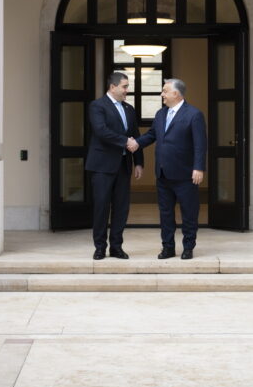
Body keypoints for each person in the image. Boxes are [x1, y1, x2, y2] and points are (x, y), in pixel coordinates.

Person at [130, 78, 206, 260]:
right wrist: (135, 144)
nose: (162, 94)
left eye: (165, 91)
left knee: (189, 213)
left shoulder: (194, 114)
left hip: (186, 175)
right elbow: (150, 135)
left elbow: (200, 145)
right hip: (163, 174)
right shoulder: (160, 114)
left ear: (176, 93)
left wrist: (199, 167)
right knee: (165, 215)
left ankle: (188, 247)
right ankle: (168, 248)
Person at [86, 72, 144, 260]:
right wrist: (126, 141)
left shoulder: (129, 108)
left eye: (127, 86)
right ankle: (100, 247)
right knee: (102, 207)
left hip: (123, 165)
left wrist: (139, 162)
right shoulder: (97, 106)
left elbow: (135, 135)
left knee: (121, 208)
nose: (127, 90)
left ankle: (116, 247)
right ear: (112, 87)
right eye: (125, 86)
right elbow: (102, 131)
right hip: (102, 166)